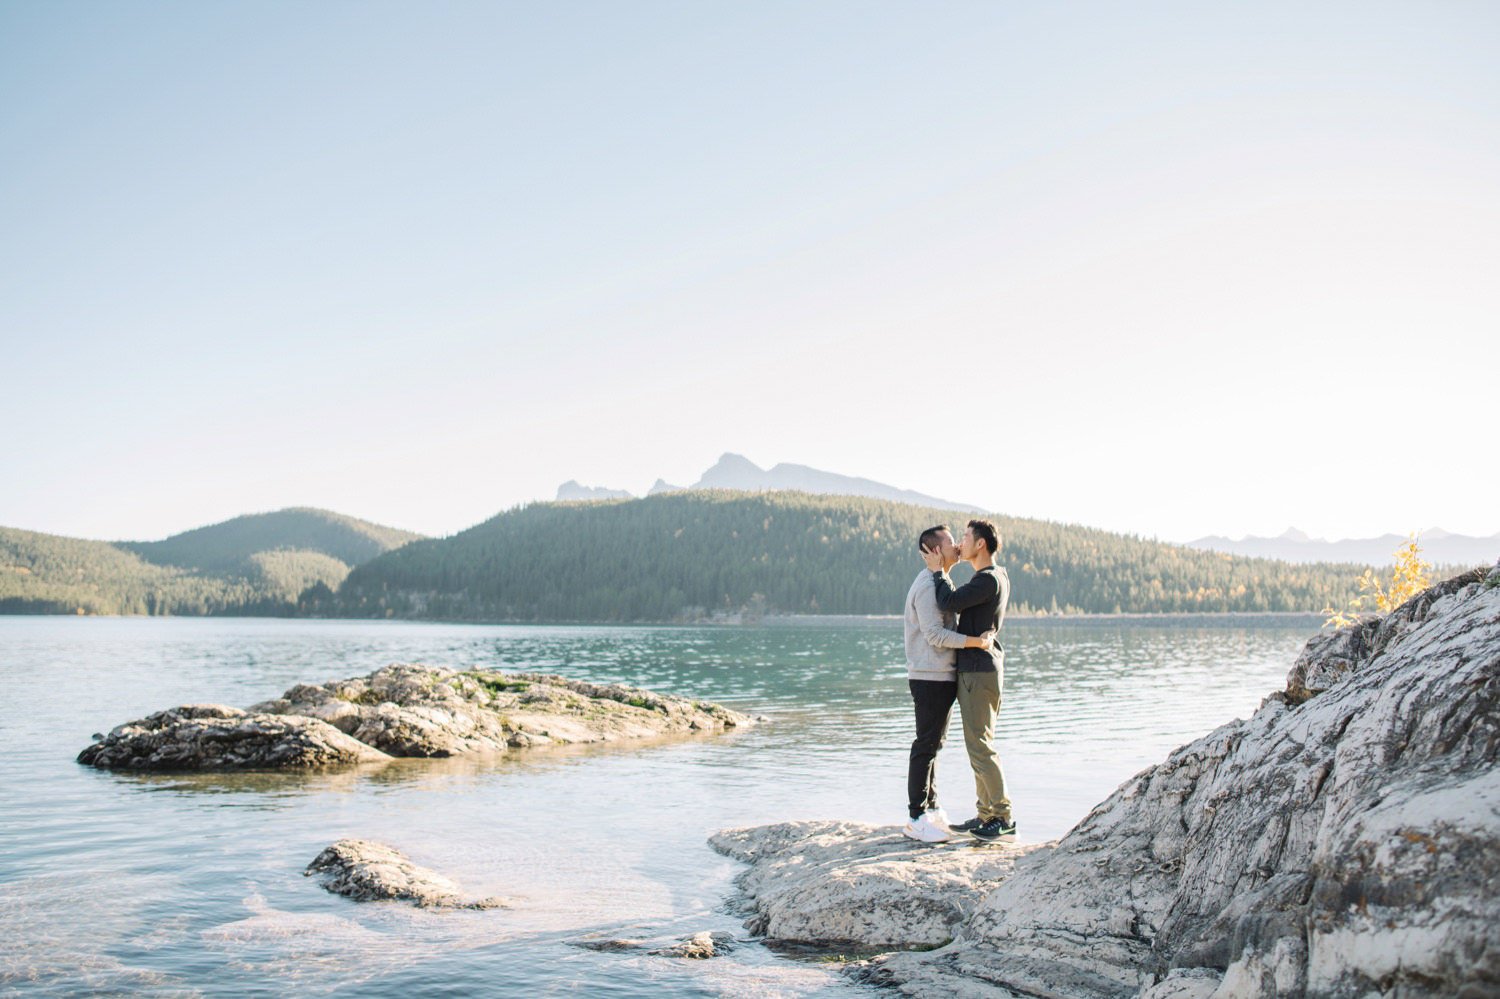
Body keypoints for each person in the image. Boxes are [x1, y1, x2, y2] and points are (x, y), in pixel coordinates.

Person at [921, 518, 1015, 842]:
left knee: (981, 744)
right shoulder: (994, 576)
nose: (960, 542)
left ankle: (1002, 817)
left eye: (965, 537)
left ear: (980, 545)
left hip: (978, 669)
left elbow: (948, 601)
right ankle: (986, 813)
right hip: (980, 668)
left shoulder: (988, 580)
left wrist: (937, 571)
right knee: (977, 743)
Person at [902, 524, 995, 843]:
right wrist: (975, 642)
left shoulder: (939, 580)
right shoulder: (929, 584)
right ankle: (916, 817)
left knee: (934, 745)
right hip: (929, 677)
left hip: (939, 675)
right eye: (952, 542)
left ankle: (932, 808)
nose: (958, 546)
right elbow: (934, 635)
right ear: (937, 551)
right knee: (925, 745)